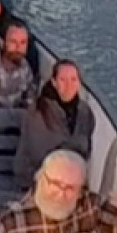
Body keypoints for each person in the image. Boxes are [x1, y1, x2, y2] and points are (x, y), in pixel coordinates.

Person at [14, 60, 97, 189]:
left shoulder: (85, 112)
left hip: (70, 179)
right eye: (63, 80)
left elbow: (87, 150)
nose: (69, 85)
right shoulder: (38, 112)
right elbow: (39, 155)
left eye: (73, 79)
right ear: (54, 82)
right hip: (37, 178)